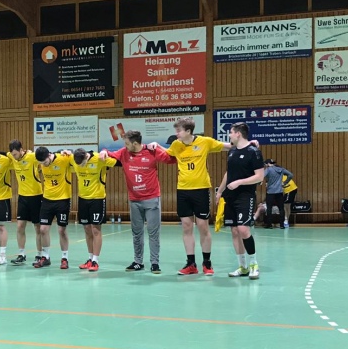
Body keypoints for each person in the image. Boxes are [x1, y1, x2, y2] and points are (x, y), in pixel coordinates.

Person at [162, 117, 245, 277]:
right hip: (182, 190)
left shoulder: (205, 142)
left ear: (188, 131)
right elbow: (164, 154)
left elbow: (228, 146)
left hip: (200, 190)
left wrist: (249, 143)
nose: (176, 133)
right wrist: (152, 146)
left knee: (203, 227)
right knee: (186, 226)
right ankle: (191, 264)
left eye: (179, 130)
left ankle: (207, 263)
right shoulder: (176, 145)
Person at [103, 130, 175, 274]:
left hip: (151, 199)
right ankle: (138, 262)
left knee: (153, 233)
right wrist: (104, 151)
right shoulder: (124, 152)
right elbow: (109, 154)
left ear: (135, 143)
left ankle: (154, 263)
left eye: (127, 143)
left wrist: (159, 146)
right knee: (136, 233)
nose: (125, 146)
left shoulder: (151, 151)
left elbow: (171, 159)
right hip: (134, 200)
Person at [216, 122, 265, 280]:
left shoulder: (253, 152)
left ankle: (254, 264)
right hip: (230, 196)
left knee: (243, 229)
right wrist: (220, 191)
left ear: (238, 133)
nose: (229, 135)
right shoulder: (232, 151)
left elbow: (259, 177)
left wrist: (239, 182)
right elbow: (228, 173)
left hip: (245, 195)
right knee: (235, 231)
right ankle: (242, 267)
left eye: (231, 132)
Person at [70, 148, 117, 272]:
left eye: (82, 163)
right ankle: (90, 258)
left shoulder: (98, 159)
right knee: (87, 229)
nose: (80, 166)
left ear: (86, 157)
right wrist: (64, 152)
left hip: (97, 199)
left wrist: (106, 152)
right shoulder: (74, 159)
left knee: (95, 229)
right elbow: (59, 156)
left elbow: (117, 161)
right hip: (82, 199)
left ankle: (96, 260)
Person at [33, 146, 74, 269]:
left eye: (44, 162)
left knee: (62, 230)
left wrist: (70, 151)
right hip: (47, 200)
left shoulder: (63, 159)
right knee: (43, 229)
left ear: (49, 156)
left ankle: (64, 258)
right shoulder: (41, 162)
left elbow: (79, 157)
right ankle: (45, 257)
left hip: (63, 199)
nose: (43, 165)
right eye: (41, 163)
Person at [8, 140, 43, 266]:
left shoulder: (32, 156)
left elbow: (45, 158)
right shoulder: (11, 156)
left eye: (16, 154)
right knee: (20, 226)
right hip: (22, 197)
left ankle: (40, 255)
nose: (14, 157)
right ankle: (21, 254)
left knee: (38, 227)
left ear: (21, 150)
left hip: (36, 196)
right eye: (12, 155)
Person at [262, 159, 294, 229]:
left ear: (268, 164)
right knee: (281, 208)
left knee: (269, 208)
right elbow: (291, 175)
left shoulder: (268, 170)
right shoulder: (281, 169)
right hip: (279, 191)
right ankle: (282, 225)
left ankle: (269, 225)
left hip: (270, 192)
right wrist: (285, 183)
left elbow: (262, 176)